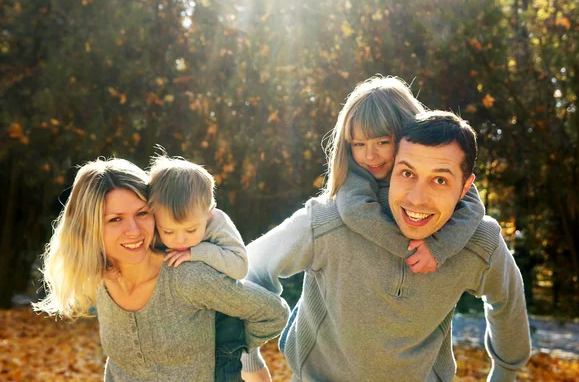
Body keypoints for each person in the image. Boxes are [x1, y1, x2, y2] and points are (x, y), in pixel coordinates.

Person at [241, 78, 530, 381]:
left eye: (382, 142)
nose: (370, 156)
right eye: (359, 144)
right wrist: (248, 358)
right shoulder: (327, 221)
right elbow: (249, 268)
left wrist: (506, 372)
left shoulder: (475, 238)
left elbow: (507, 300)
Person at [33, 158, 289, 382]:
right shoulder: (100, 278)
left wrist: (226, 349)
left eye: (142, 213)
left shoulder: (187, 275)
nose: (134, 230)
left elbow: (272, 313)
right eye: (115, 219)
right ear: (89, 227)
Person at [148, 154, 248, 382]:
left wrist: (196, 252)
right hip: (185, 320)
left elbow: (240, 266)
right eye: (169, 232)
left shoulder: (218, 223)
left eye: (191, 231)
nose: (180, 240)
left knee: (225, 374)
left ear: (209, 213)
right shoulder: (155, 225)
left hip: (225, 319)